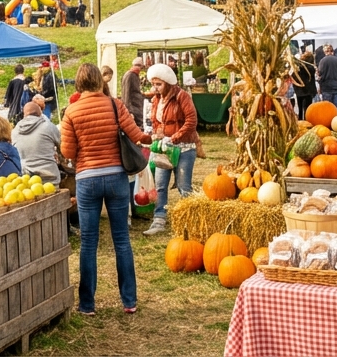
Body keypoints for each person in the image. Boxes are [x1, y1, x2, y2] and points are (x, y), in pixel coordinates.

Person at [60, 63, 150, 316]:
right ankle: (129, 301)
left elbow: (67, 152)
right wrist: (151, 137)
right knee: (121, 239)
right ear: (100, 80)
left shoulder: (72, 111)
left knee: (89, 242)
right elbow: (134, 134)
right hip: (116, 177)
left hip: (87, 179)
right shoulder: (114, 105)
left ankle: (87, 304)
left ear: (78, 83)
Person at [144, 63, 199, 236]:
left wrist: (174, 137)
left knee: (184, 186)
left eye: (159, 84)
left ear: (167, 82)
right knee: (160, 184)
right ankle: (159, 219)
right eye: (154, 84)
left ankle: (190, 221)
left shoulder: (182, 96)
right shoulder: (156, 99)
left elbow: (191, 121)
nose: (156, 88)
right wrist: (155, 134)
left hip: (184, 147)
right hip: (164, 147)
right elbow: (157, 122)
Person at [13, 101, 62, 185]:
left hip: (27, 181)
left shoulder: (15, 131)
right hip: (50, 179)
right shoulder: (48, 126)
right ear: (40, 114)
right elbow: (63, 146)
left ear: (24, 115)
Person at [121, 57, 146, 129]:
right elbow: (126, 93)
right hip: (133, 107)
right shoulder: (130, 75)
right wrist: (129, 110)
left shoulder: (133, 74)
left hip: (135, 105)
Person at [292, 50, 317, 118]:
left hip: (299, 90)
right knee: (307, 109)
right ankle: (307, 121)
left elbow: (293, 76)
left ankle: (300, 121)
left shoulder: (298, 68)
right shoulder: (311, 68)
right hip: (308, 91)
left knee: (300, 109)